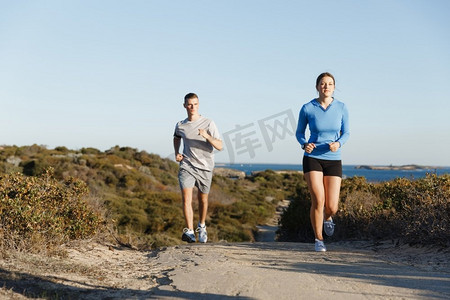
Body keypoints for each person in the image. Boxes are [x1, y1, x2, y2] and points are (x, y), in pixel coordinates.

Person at [295, 72, 350, 252]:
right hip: (313, 158)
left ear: (334, 87)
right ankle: (319, 239)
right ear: (317, 86)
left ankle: (328, 218)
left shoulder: (341, 107)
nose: (326, 86)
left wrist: (338, 143)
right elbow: (299, 133)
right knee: (318, 200)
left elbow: (346, 132)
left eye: (330, 84)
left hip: (334, 159)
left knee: (332, 206)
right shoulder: (307, 108)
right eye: (323, 84)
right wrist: (305, 144)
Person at [173, 93, 223, 243]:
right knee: (186, 199)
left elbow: (220, 146)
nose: (192, 107)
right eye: (189, 104)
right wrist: (177, 152)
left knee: (202, 199)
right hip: (187, 165)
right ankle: (189, 231)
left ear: (198, 105)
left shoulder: (208, 123)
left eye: (195, 104)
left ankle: (201, 226)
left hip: (205, 167)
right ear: (184, 106)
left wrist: (207, 136)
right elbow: (176, 137)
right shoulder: (180, 125)